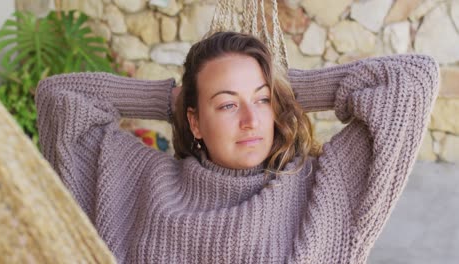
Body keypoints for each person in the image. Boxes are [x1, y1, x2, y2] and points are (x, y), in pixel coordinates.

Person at [35, 31, 439, 263]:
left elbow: (413, 80)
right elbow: (60, 98)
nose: (251, 120)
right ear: (195, 120)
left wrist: (287, 89)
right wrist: (172, 100)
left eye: (262, 101)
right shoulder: (141, 184)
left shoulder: (319, 194)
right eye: (227, 104)